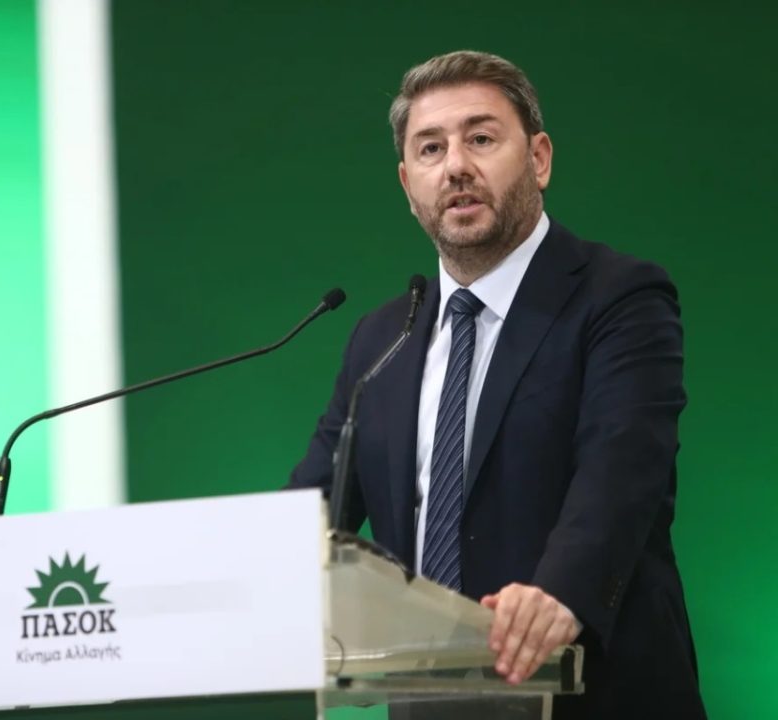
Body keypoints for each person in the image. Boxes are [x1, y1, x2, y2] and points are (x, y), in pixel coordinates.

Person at [289, 50, 706, 719]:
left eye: (481, 139)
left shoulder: (618, 298)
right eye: (431, 149)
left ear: (538, 158)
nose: (455, 166)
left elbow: (623, 467)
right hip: (432, 703)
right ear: (408, 184)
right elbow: (313, 510)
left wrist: (561, 592)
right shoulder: (382, 338)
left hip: (592, 693)